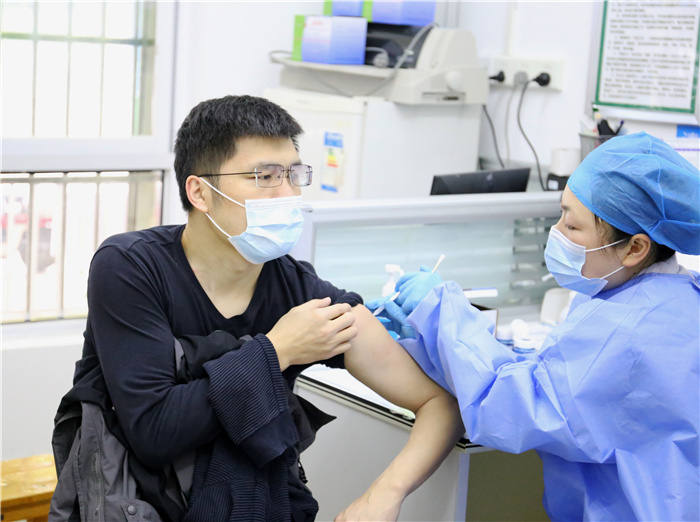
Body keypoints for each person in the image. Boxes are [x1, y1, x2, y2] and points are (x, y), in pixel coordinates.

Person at [51, 95, 464, 522]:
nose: (287, 193)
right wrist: (278, 350)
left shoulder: (297, 287)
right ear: (200, 192)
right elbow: (154, 431)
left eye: (293, 174)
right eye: (264, 176)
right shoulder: (131, 267)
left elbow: (437, 403)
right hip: (135, 505)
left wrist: (384, 497)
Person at [369, 132, 700, 521]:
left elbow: (509, 406)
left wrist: (437, 311)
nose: (556, 232)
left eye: (572, 227)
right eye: (560, 214)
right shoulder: (673, 298)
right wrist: (428, 339)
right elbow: (559, 382)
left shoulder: (628, 330)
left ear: (635, 248)